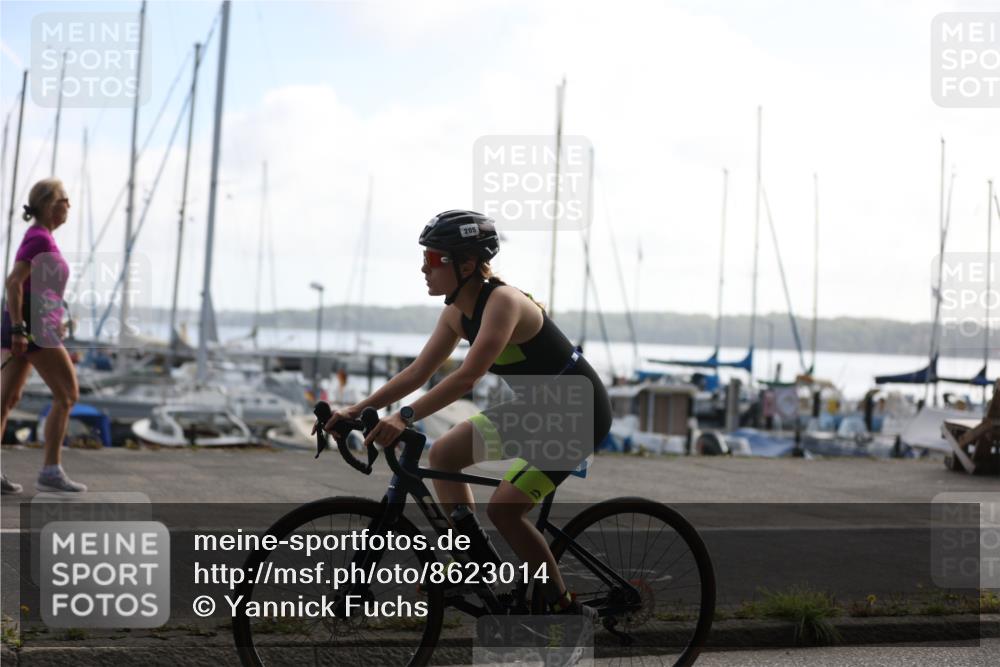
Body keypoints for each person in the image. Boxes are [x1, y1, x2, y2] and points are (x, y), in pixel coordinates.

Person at [321, 209, 612, 622]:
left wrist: (404, 415)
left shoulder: (504, 302)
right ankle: (473, 556)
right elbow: (418, 372)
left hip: (579, 413)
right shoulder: (456, 312)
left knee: (505, 509)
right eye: (424, 258)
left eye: (434, 259)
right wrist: (356, 410)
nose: (424, 268)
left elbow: (468, 376)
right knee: (442, 455)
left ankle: (564, 606)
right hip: (536, 410)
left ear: (467, 264)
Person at [1, 178, 86, 494]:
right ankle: (51, 471)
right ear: (53, 204)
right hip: (34, 331)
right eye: (66, 199)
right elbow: (13, 283)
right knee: (67, 395)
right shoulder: (39, 239)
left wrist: (54, 319)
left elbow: (34, 288)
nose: (69, 206)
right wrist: (20, 329)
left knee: (7, 400)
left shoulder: (40, 237)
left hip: (34, 327)